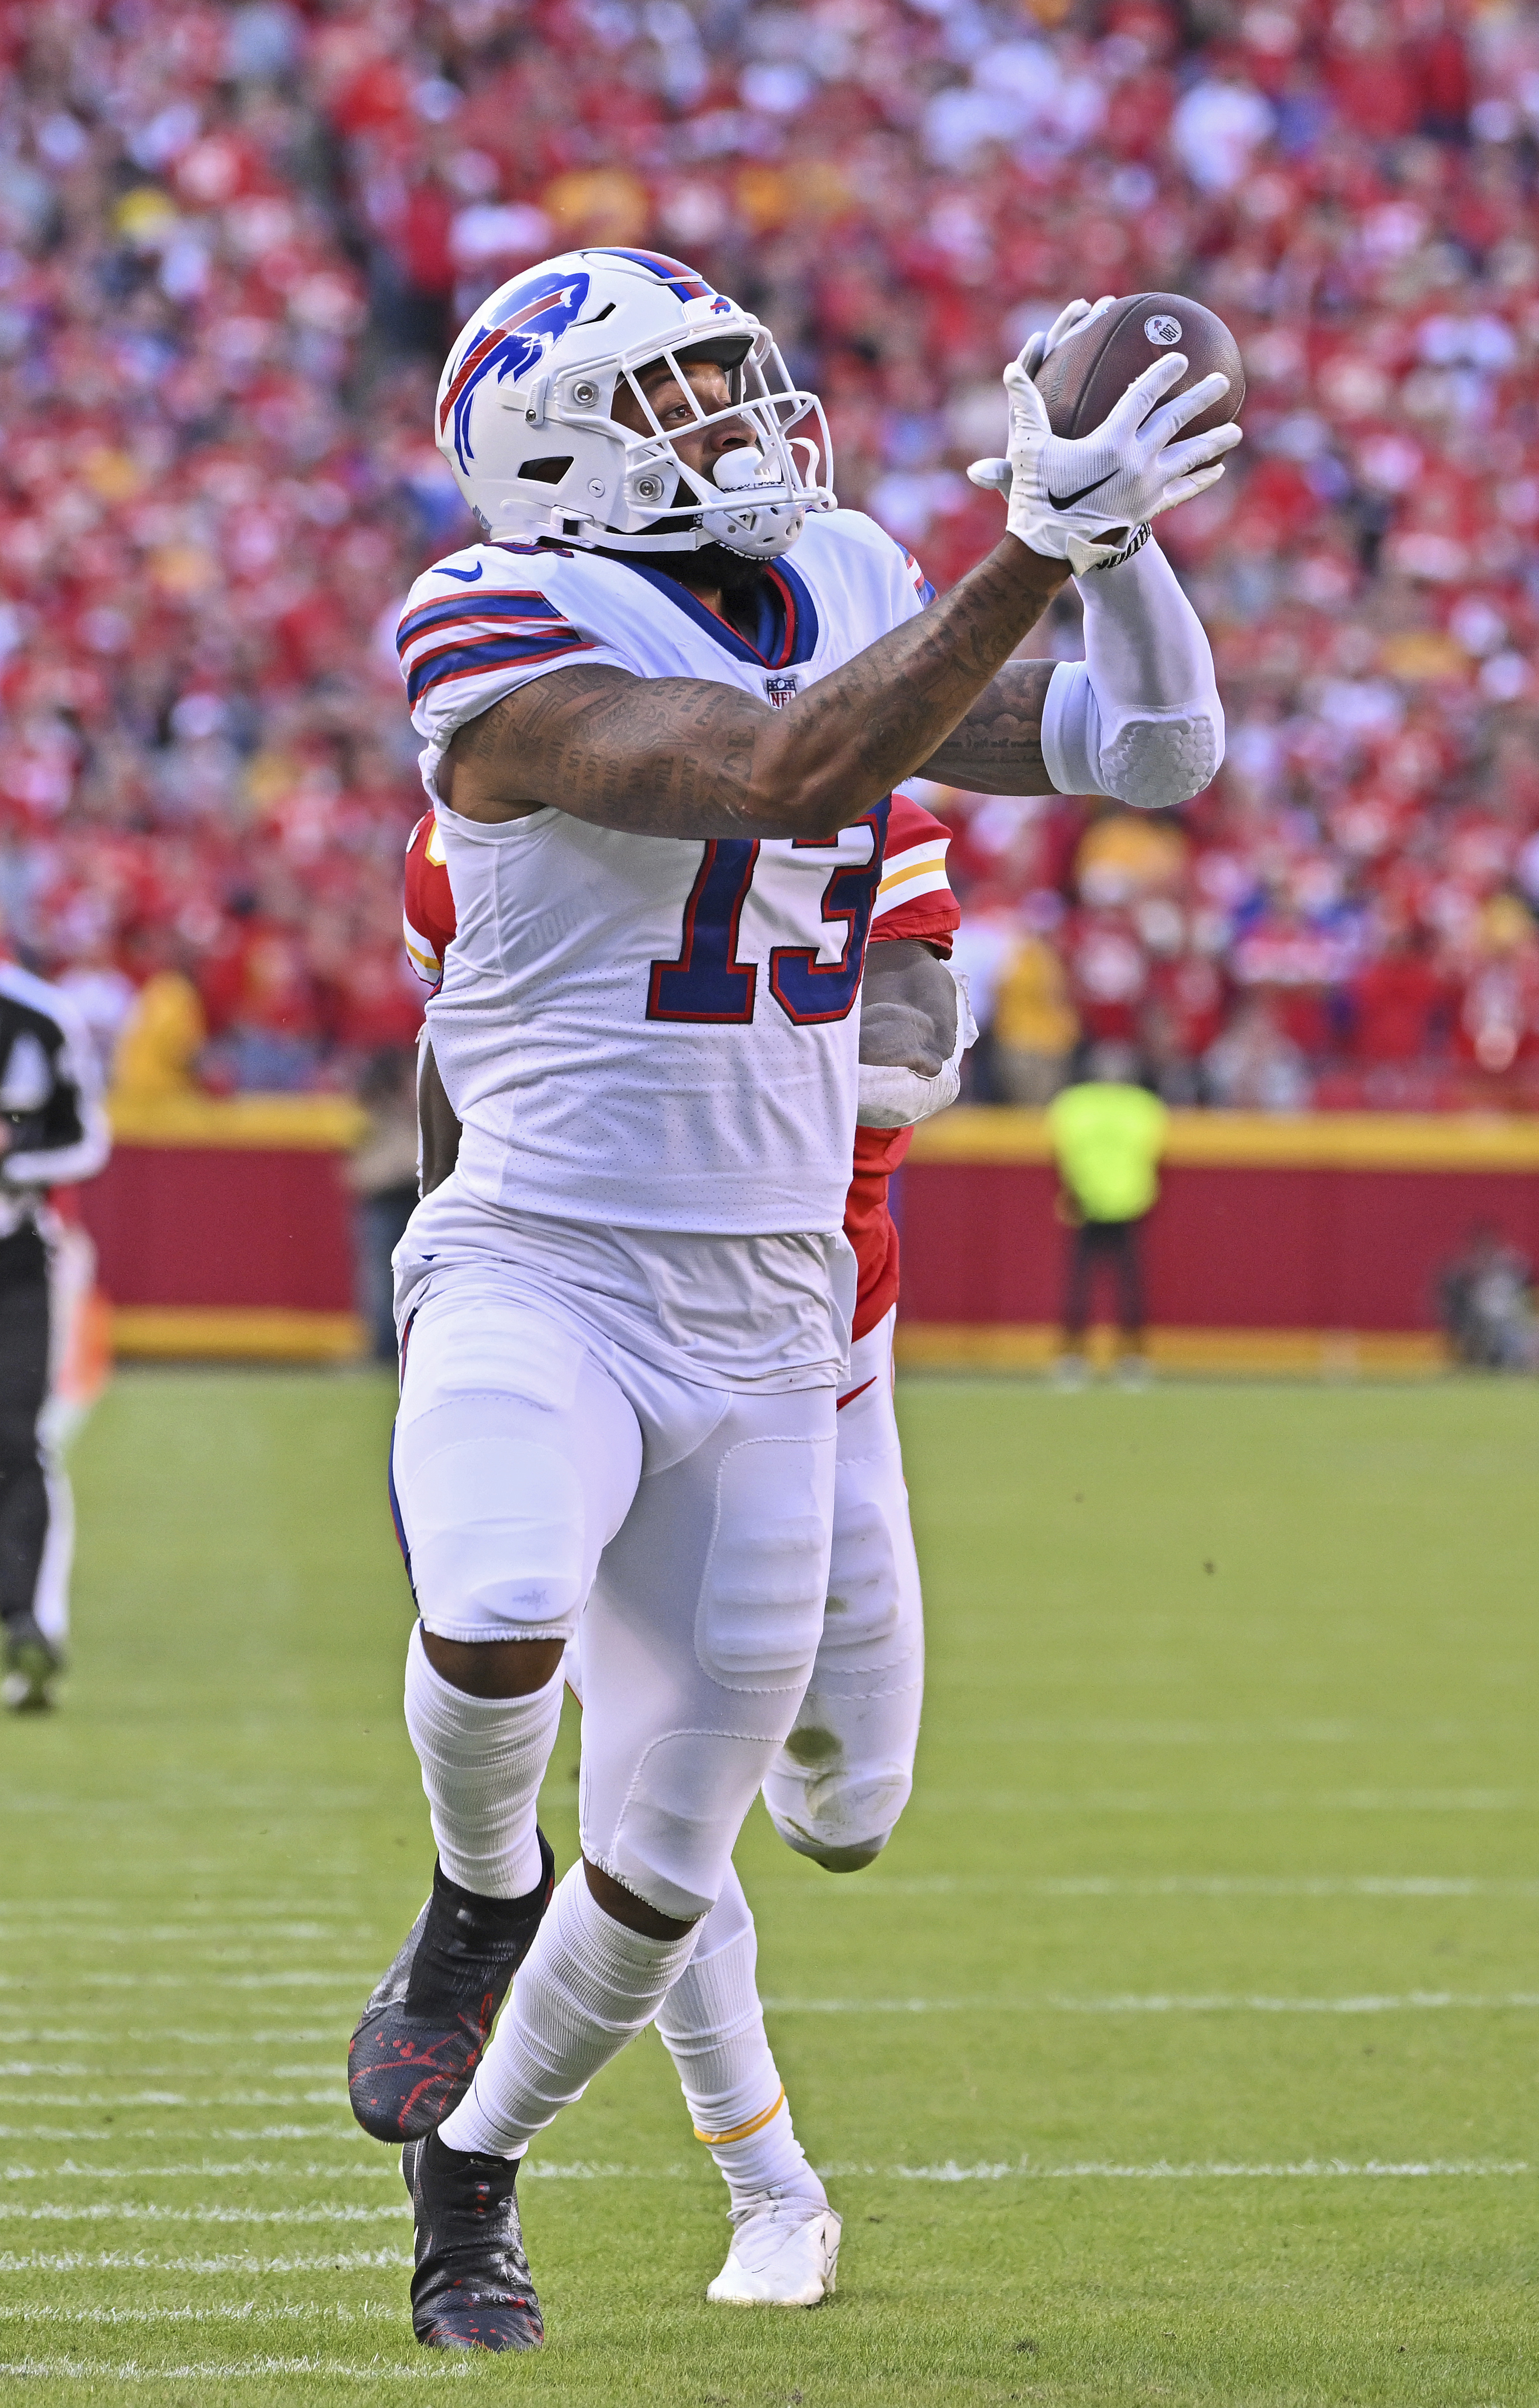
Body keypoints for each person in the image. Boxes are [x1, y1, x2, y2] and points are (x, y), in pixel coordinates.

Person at [347, 248, 1236, 2352]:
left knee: (668, 1858)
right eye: (677, 397)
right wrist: (1030, 546)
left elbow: (1152, 747)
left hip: (772, 1299)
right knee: (493, 1608)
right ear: (552, 451)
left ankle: (469, 2162)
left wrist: (1108, 549)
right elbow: (775, 774)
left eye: (738, 374)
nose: (742, 420)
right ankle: (477, 1888)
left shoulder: (837, 563)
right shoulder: (486, 618)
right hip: (541, 1251)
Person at [391, 785, 967, 2303]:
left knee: (847, 1807)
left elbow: (914, 1027)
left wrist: (740, 1090)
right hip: (577, 1303)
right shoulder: (499, 805)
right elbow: (452, 1067)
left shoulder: (858, 793)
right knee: (659, 1786)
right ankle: (747, 2180)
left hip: (813, 1342)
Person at [0, 954, 112, 1711]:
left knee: (16, 1438)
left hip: (12, 1251)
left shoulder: (39, 1015)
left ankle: (29, 1624)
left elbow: (88, 1139)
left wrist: (17, 1162)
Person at [1048, 1042, 1169, 1387]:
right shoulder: (1143, 1108)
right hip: (1124, 1203)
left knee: (1088, 1283)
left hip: (1093, 1202)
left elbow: (1063, 1149)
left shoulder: (1074, 1106)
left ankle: (1079, 1358)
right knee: (1119, 1284)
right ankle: (1127, 1358)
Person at [1437, 1223, 1537, 1369]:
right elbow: (1453, 1306)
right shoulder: (1463, 1273)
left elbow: (1526, 1297)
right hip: (1479, 1324)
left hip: (1512, 1323)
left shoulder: (1511, 1267)